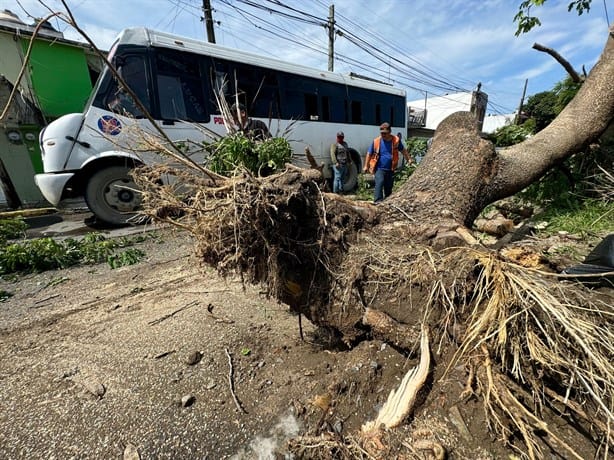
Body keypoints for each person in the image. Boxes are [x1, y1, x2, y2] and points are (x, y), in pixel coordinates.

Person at [363, 122, 411, 203]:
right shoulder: (376, 141)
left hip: (391, 169)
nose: (383, 135)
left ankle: (387, 202)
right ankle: (378, 202)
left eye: (385, 133)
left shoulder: (396, 141)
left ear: (390, 132)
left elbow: (403, 150)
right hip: (379, 168)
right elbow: (369, 153)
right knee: (380, 182)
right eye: (382, 133)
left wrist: (408, 159)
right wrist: (366, 166)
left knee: (388, 187)